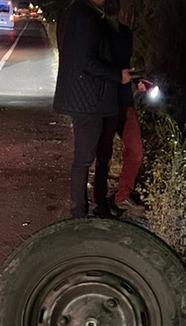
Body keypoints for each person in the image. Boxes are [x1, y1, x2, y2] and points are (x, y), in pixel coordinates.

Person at [53, 0, 132, 218]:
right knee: (83, 160)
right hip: (88, 101)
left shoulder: (78, 13)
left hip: (95, 100)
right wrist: (118, 75)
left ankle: (91, 207)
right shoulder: (85, 16)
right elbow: (86, 62)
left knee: (94, 157)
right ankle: (79, 213)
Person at [96, 2, 144, 214]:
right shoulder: (96, 29)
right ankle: (100, 203)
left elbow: (124, 63)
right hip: (105, 101)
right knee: (103, 154)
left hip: (124, 100)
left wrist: (137, 79)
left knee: (135, 150)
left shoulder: (125, 32)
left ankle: (121, 196)